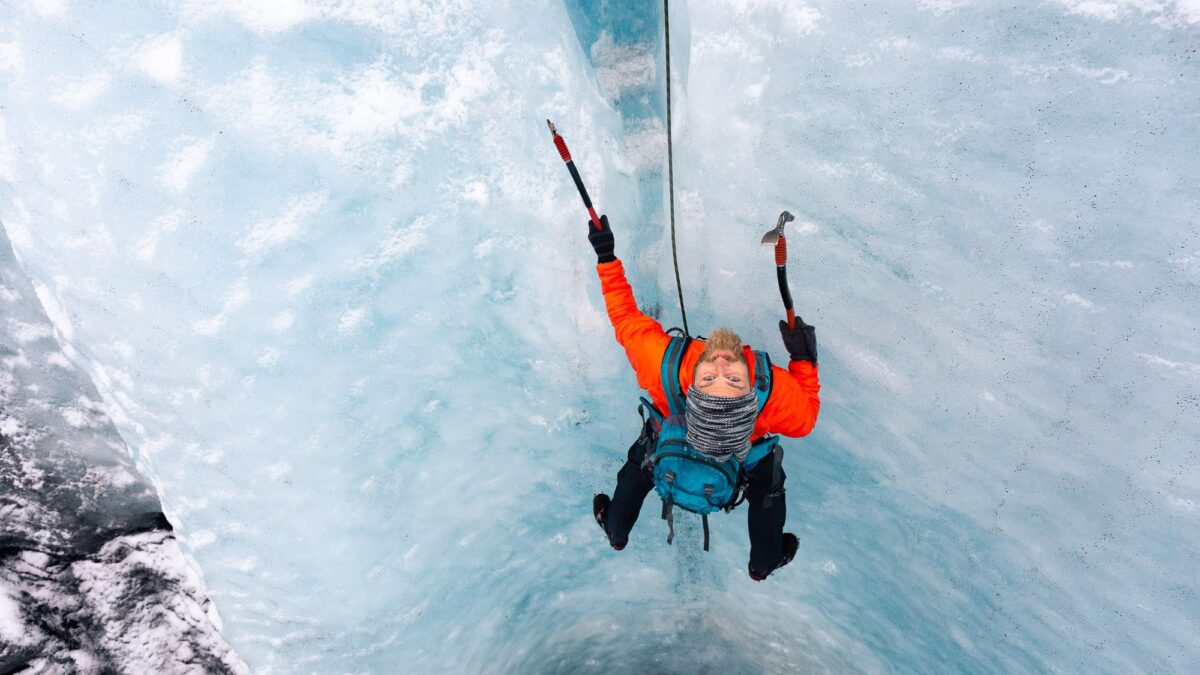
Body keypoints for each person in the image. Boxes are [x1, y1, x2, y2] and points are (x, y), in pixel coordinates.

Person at [585, 215, 821, 580]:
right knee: (767, 477)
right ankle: (763, 561)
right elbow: (805, 420)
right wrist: (805, 361)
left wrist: (607, 258)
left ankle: (617, 529)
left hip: (671, 438)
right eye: (732, 377)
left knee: (644, 456)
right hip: (737, 460)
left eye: (714, 376)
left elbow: (624, 317)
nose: (724, 363)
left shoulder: (665, 364)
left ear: (695, 382)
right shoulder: (772, 390)